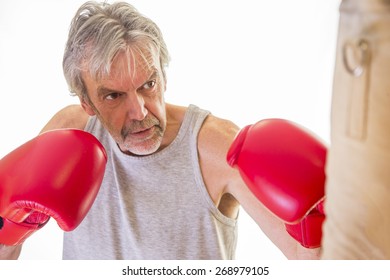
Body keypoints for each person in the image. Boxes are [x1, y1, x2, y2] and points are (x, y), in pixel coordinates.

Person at [0, 1, 321, 260]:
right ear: (87, 102)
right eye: (114, 95)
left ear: (164, 77)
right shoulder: (69, 132)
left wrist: (323, 218)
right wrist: (10, 230)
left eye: (148, 84)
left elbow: (308, 257)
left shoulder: (216, 148)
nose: (140, 111)